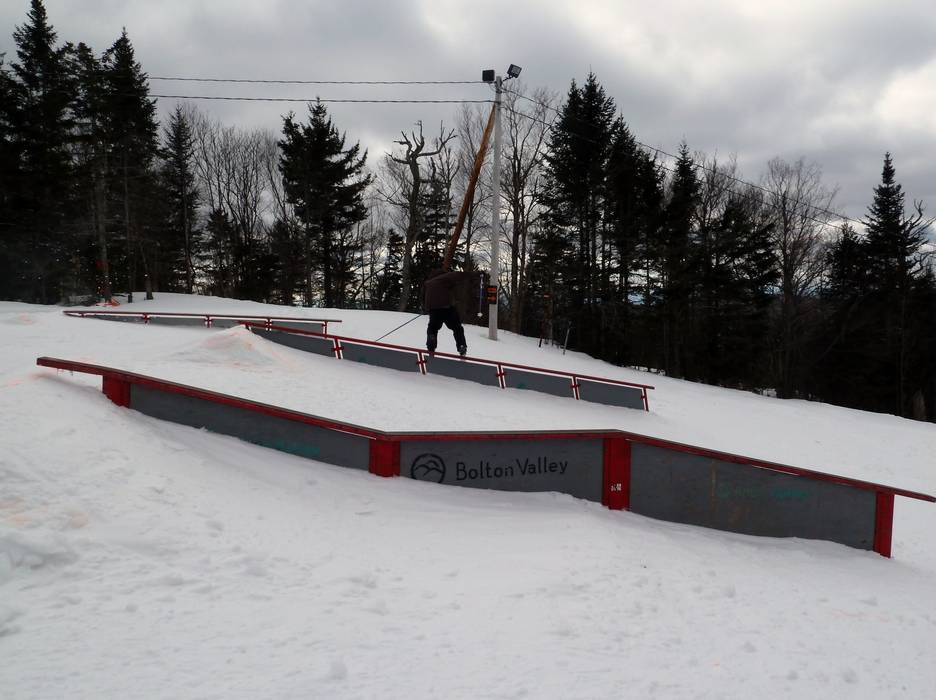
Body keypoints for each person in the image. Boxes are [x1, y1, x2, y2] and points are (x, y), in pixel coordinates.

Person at [422, 268, 471, 356]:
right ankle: (461, 345)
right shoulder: (444, 277)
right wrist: (475, 274)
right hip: (447, 309)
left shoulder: (428, 283)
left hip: (434, 310)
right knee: (457, 328)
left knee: (433, 328)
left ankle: (431, 345)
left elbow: (423, 297)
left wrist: (426, 308)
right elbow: (458, 275)